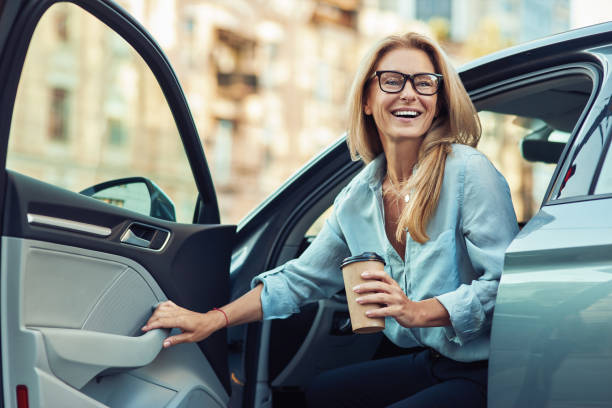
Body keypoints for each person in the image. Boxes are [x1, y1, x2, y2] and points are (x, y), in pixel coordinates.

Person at [142, 32, 519, 407]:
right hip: (435, 362)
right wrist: (212, 320)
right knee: (323, 393)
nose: (409, 93)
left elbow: (509, 287)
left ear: (438, 102)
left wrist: (417, 311)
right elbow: (300, 280)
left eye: (425, 83)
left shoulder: (470, 173)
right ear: (367, 100)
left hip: (495, 370)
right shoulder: (357, 200)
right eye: (392, 81)